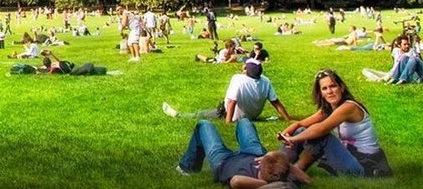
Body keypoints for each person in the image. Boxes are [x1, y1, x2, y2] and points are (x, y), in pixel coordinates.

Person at [277, 70, 393, 177]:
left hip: (368, 167)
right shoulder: (330, 108)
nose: (330, 91)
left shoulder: (349, 107)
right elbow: (301, 124)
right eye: (325, 88)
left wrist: (294, 139)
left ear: (341, 88)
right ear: (321, 93)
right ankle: (276, 166)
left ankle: (291, 175)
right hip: (351, 157)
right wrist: (286, 134)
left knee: (321, 137)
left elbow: (321, 129)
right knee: (302, 131)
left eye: (333, 86)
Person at [177, 117, 307, 187]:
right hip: (253, 153)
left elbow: (235, 181)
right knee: (244, 121)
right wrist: (283, 163)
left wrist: (266, 184)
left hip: (223, 161)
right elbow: (308, 180)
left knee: (204, 124)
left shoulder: (249, 181)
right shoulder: (282, 172)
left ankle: (186, 167)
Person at [164, 60, 292, 122]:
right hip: (252, 116)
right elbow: (276, 103)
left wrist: (228, 121)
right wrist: (287, 118)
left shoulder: (238, 79)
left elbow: (231, 102)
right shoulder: (265, 80)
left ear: (246, 70)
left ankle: (178, 115)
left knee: (200, 114)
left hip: (231, 115)